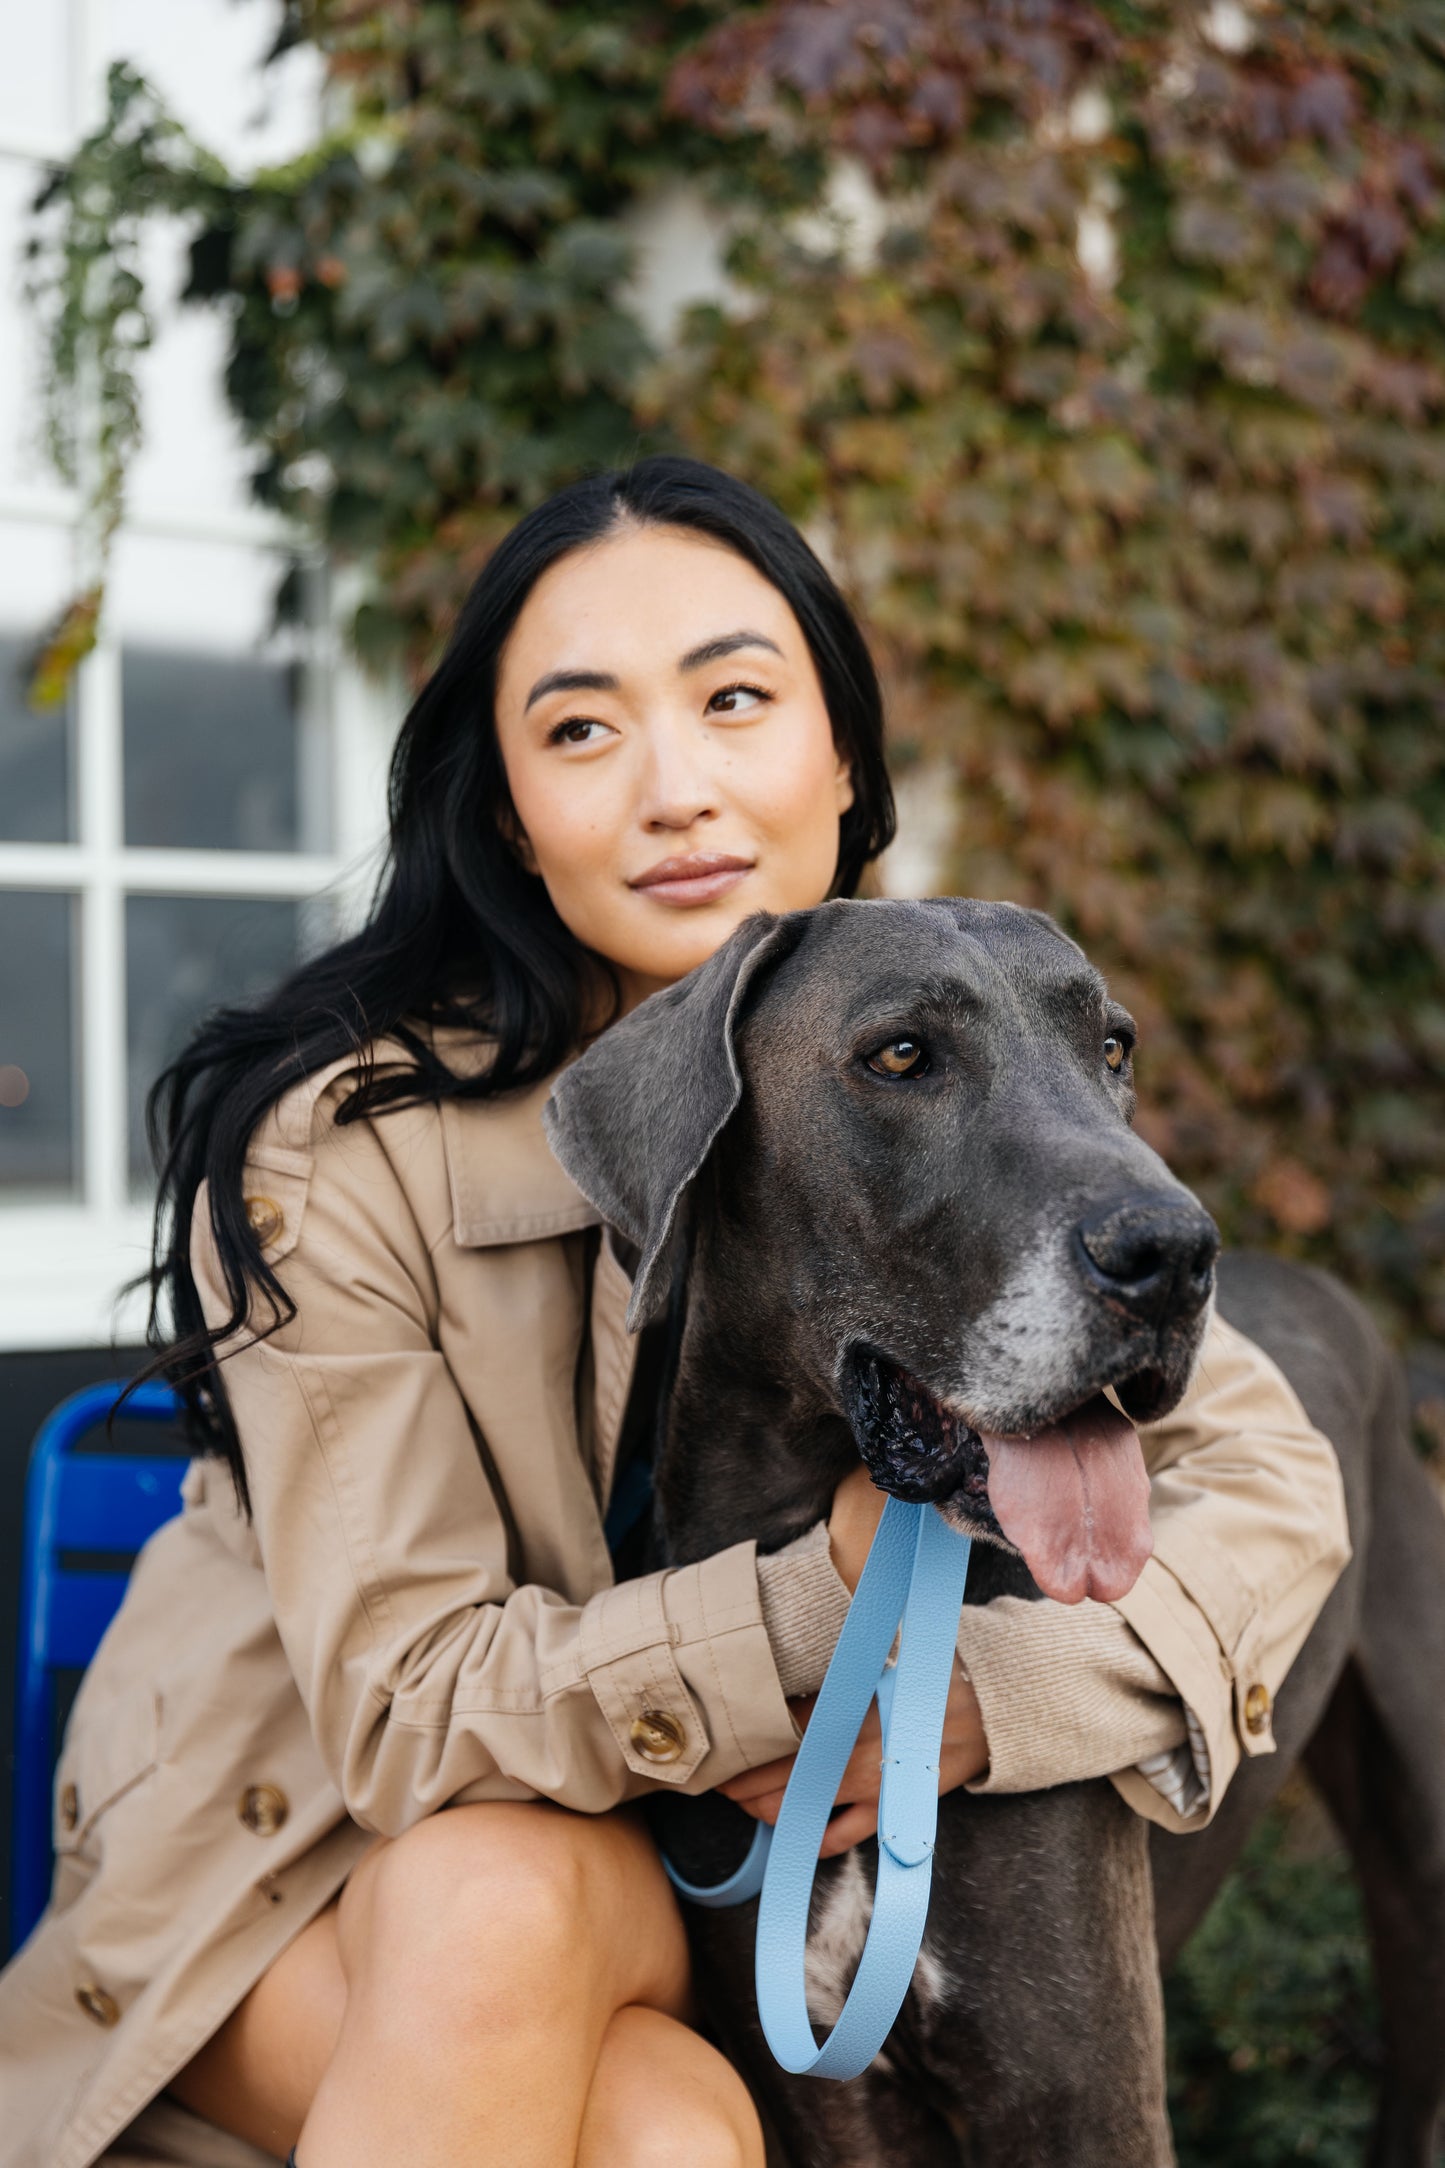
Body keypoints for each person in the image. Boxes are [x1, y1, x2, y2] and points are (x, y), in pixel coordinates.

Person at [0, 459, 1350, 2168]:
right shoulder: (346, 1144)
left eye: (733, 699)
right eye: (579, 732)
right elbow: (415, 1717)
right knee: (568, 1999)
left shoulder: (908, 1059)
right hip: (304, 1874)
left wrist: (1001, 1692)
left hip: (636, 1875)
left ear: (841, 759)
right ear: (503, 812)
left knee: (662, 2109)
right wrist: (832, 1605)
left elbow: (1273, 1480)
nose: (676, 790)